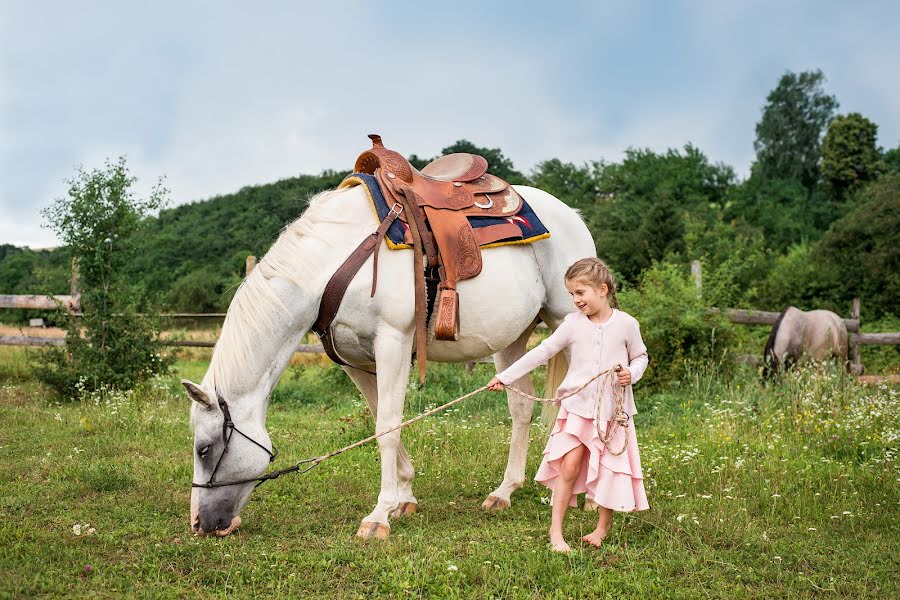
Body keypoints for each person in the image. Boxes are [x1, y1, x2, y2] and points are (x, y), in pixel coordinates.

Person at [487, 257, 650, 552]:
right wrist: (507, 376)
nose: (575, 300)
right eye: (572, 294)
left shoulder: (627, 324)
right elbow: (543, 351)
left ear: (602, 289)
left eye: (580, 293)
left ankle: (602, 527)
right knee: (569, 465)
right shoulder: (572, 324)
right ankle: (556, 533)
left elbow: (641, 356)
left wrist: (632, 373)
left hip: (613, 412)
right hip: (578, 408)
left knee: (609, 467)